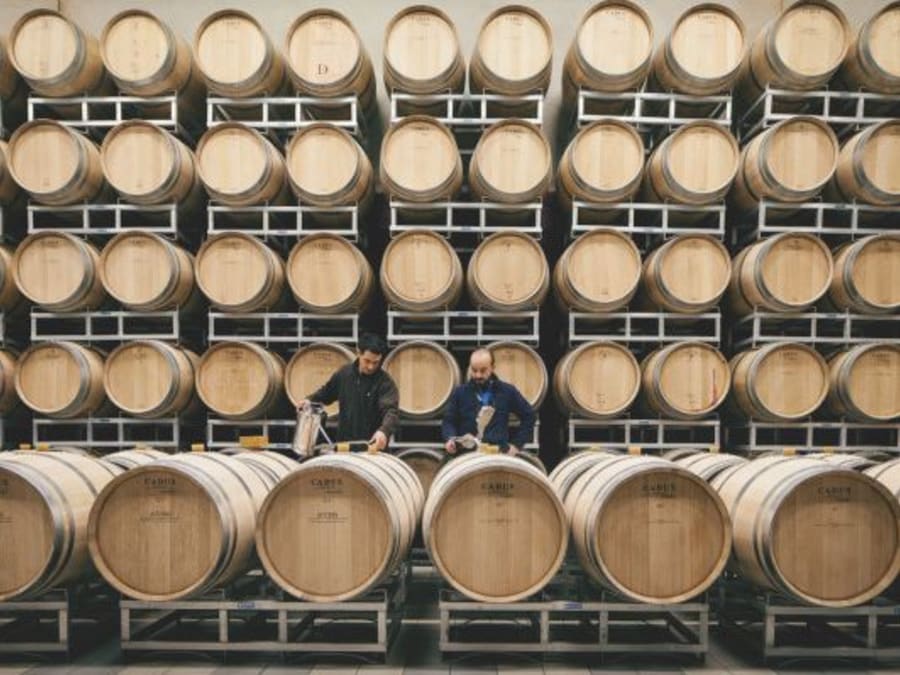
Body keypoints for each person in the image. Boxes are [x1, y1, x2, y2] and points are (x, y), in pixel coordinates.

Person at [297, 333, 399, 451]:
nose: (371, 366)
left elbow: (391, 412)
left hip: (372, 448)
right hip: (344, 446)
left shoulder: (385, 382)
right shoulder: (344, 374)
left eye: (376, 362)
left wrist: (384, 432)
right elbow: (326, 393)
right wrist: (309, 400)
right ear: (358, 353)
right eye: (367, 361)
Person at [441, 348, 536, 455]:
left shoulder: (507, 391)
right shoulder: (460, 392)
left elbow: (529, 415)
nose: (478, 375)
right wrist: (449, 439)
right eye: (474, 370)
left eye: (483, 370)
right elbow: (449, 421)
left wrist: (516, 445)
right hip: (467, 456)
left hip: (498, 455)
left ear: (492, 368)